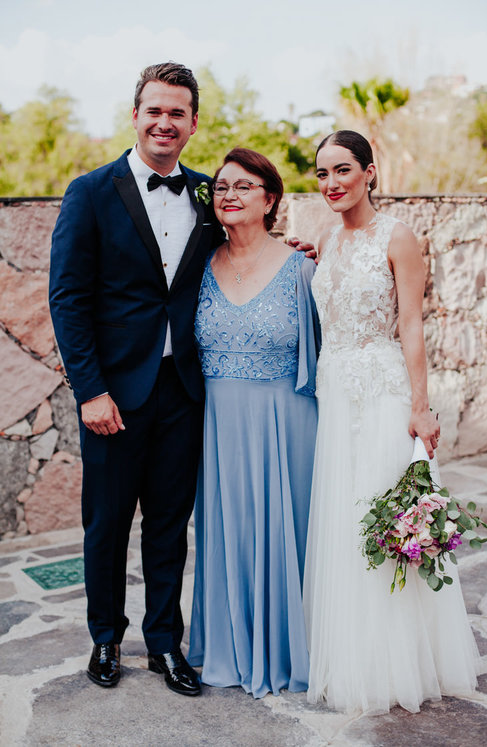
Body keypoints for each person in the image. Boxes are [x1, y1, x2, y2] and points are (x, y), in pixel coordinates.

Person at [48, 62, 223, 695]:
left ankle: (163, 644)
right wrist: (90, 389)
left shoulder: (208, 195)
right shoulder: (90, 192)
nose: (165, 122)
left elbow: (243, 254)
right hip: (113, 394)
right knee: (108, 522)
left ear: (193, 123)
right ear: (136, 115)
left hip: (183, 390)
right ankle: (104, 639)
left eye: (178, 112)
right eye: (155, 109)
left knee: (170, 524)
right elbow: (68, 298)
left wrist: (299, 255)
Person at [302, 130, 479, 714]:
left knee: (381, 514)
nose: (332, 183)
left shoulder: (398, 237)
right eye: (322, 173)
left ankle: (395, 664)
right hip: (334, 389)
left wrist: (420, 405)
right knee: (340, 515)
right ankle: (348, 654)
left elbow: (409, 324)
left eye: (343, 170)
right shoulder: (325, 237)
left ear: (370, 173)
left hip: (380, 389)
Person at [186, 148, 319, 698]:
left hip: (287, 421)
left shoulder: (304, 267)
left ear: (270, 199)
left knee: (289, 534)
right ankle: (229, 645)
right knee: (227, 531)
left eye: (244, 186)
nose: (229, 195)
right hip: (218, 425)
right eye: (221, 187)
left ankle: (292, 650)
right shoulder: (197, 266)